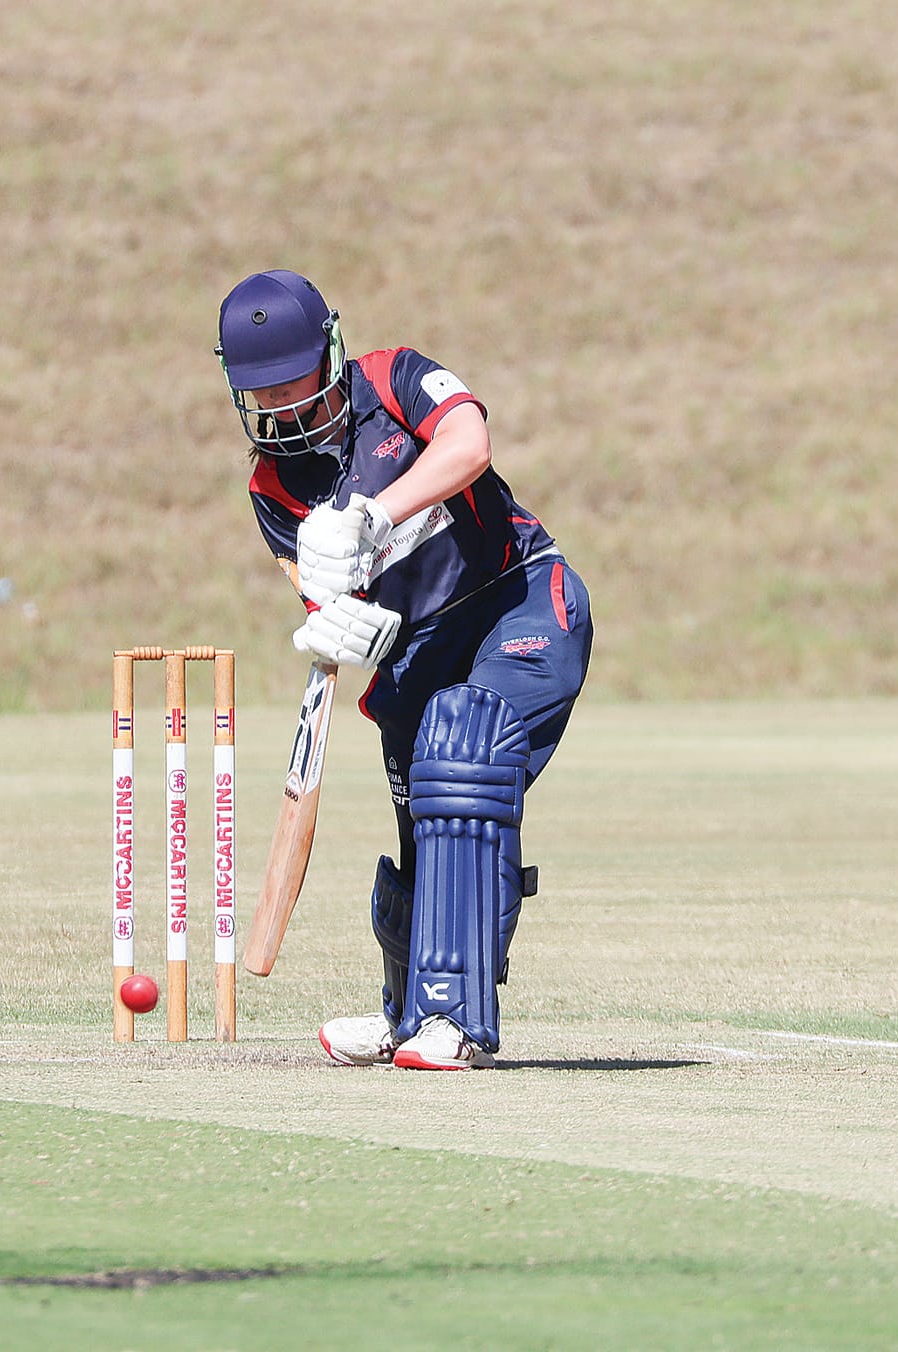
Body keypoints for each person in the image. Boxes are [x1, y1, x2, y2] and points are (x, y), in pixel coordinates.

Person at [215, 269, 593, 1070]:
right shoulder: (273, 485)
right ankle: (409, 1012)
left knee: (468, 752)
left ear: (330, 351)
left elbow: (468, 444)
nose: (284, 407)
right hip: (415, 649)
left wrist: (377, 514)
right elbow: (320, 598)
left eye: (296, 383)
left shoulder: (395, 379)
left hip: (518, 600)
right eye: (264, 393)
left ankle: (456, 1021)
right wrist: (333, 628)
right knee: (428, 822)